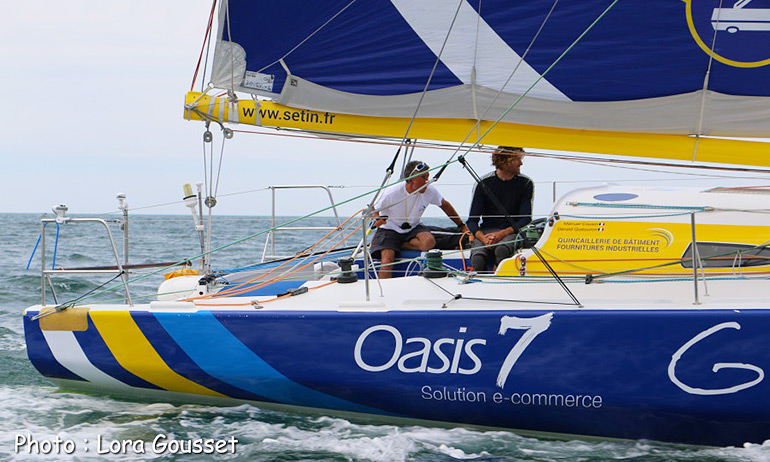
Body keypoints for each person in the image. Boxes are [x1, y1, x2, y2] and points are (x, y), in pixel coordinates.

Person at [371, 161, 469, 278]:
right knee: (387, 261)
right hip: (389, 229)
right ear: (411, 179)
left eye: (427, 177)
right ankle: (385, 292)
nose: (427, 181)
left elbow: (445, 205)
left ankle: (399, 244)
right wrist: (377, 219)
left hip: (413, 227)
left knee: (429, 242)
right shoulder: (391, 192)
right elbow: (373, 209)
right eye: (423, 177)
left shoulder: (430, 190)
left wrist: (462, 225)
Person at [467, 146, 534, 271]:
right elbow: (472, 221)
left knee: (501, 250)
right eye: (517, 160)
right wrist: (483, 238)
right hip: (486, 232)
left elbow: (526, 218)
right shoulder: (483, 183)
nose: (521, 163)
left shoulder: (525, 183)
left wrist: (501, 234)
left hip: (510, 231)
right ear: (505, 161)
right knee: (478, 259)